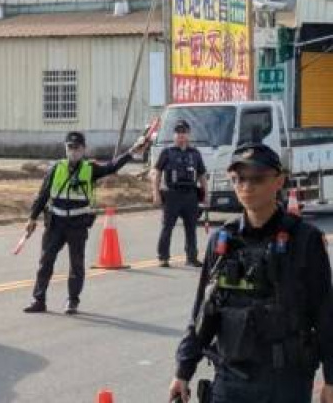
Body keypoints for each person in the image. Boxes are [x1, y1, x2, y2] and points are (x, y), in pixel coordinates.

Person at [168, 143, 333, 403]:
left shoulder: (305, 240)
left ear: (279, 181)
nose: (246, 186)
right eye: (239, 178)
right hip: (230, 380)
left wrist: (331, 380)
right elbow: (204, 312)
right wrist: (182, 371)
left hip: (285, 384)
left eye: (257, 178)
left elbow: (325, 315)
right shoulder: (223, 240)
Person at [23, 131, 148, 314]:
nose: (73, 151)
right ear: (65, 149)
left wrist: (131, 152)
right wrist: (32, 218)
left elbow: (112, 167)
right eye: (70, 148)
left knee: (76, 264)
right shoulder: (56, 168)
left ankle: (72, 301)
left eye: (77, 148)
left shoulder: (90, 169)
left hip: (77, 224)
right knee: (45, 262)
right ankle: (39, 300)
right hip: (56, 223)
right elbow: (43, 195)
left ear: (84, 149)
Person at [152, 119, 208, 268]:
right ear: (174, 135)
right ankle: (163, 257)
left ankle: (191, 257)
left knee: (191, 228)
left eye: (183, 132)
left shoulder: (195, 153)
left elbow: (202, 175)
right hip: (172, 194)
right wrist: (156, 193)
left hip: (190, 195)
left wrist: (206, 195)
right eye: (178, 132)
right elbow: (157, 173)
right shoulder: (167, 152)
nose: (181, 135)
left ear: (188, 134)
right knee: (167, 227)